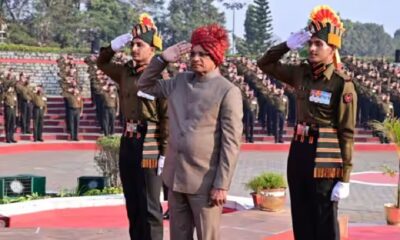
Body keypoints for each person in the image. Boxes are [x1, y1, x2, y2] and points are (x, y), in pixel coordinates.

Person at [257, 5, 356, 240]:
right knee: (300, 213)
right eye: (310, 43)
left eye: (318, 44)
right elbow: (264, 64)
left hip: (325, 154)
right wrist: (286, 45)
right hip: (300, 149)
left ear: (332, 49)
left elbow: (347, 132)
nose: (311, 48)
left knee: (323, 216)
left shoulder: (341, 83)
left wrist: (345, 178)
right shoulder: (300, 73)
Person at [138, 23, 243, 240]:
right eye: (193, 53)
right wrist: (162, 59)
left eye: (203, 54)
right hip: (176, 178)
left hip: (205, 182)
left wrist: (222, 185)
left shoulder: (227, 91)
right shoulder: (179, 82)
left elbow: (231, 143)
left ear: (216, 56)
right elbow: (144, 85)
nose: (195, 58)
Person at [97, 13, 168, 240]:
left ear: (152, 50)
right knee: (133, 202)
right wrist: (113, 46)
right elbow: (102, 62)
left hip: (150, 141)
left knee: (150, 205)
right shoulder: (125, 72)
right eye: (133, 45)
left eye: (140, 45)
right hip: (128, 140)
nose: (134, 49)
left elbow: (167, 117)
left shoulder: (160, 76)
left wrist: (165, 151)